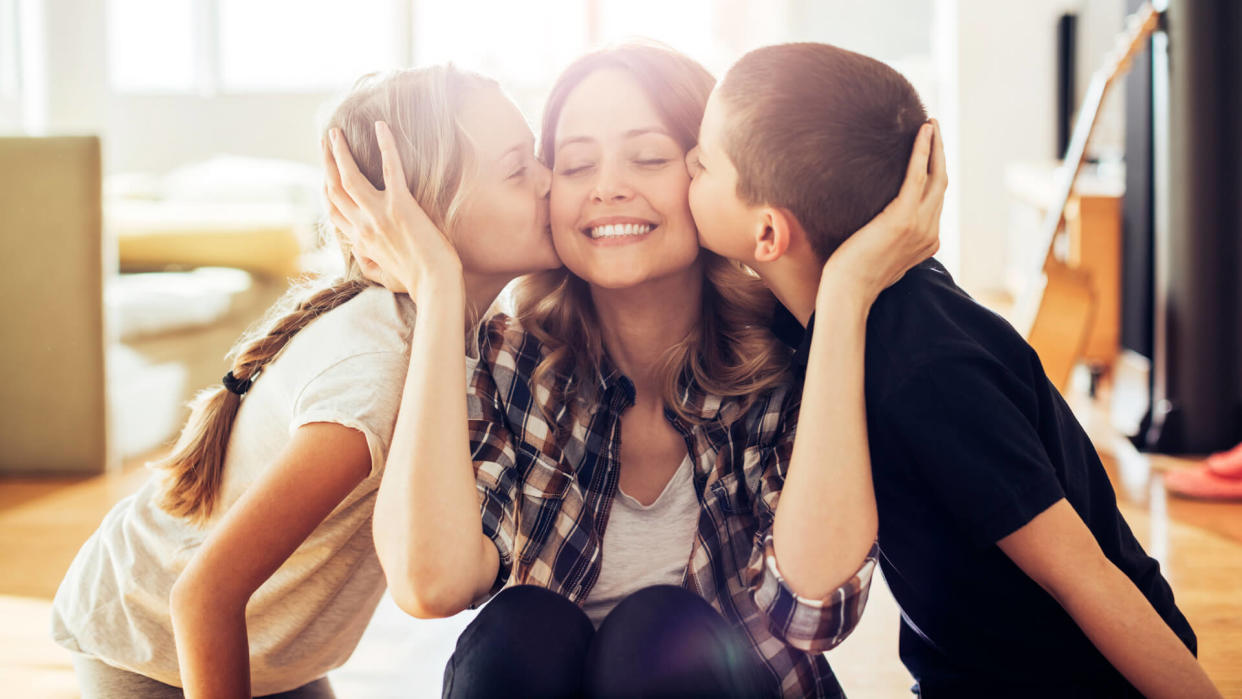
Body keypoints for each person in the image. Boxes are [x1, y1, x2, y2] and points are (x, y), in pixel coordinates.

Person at [327, 42, 942, 697]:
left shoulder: (788, 359)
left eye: (649, 157)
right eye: (575, 163)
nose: (607, 186)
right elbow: (432, 584)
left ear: (714, 176)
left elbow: (815, 604)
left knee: (656, 631)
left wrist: (845, 291)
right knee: (519, 630)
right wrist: (438, 285)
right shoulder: (509, 361)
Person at [684, 42, 1220, 698]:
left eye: (702, 162)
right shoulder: (823, 316)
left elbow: (1082, 572)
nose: (687, 167)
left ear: (768, 235)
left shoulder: (926, 368)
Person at [50, 64, 560, 698]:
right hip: (154, 645)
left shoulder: (469, 337)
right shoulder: (377, 373)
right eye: (518, 169)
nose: (550, 181)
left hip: (278, 652)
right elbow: (204, 594)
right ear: (423, 217)